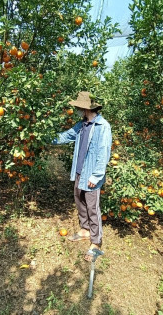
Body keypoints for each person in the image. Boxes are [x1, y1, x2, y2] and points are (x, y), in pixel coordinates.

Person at [52, 91, 112, 261]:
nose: (77, 109)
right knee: (80, 201)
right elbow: (65, 136)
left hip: (92, 174)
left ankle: (96, 242)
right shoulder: (82, 125)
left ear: (86, 108)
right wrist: (44, 138)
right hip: (79, 171)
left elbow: (104, 153)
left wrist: (96, 176)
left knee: (92, 207)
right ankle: (85, 230)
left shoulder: (103, 126)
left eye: (79, 107)